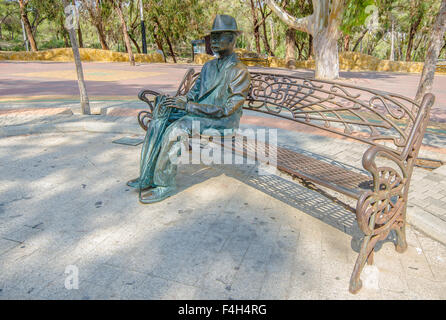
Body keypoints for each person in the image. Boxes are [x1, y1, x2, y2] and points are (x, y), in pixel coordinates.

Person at [127, 15, 251, 203]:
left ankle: (164, 183)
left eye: (220, 36)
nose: (214, 40)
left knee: (178, 128)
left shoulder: (239, 71)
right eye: (212, 36)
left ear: (233, 39)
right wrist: (177, 101)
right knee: (160, 116)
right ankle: (147, 175)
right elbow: (192, 94)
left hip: (223, 120)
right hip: (201, 112)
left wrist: (188, 106)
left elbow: (227, 109)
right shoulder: (208, 66)